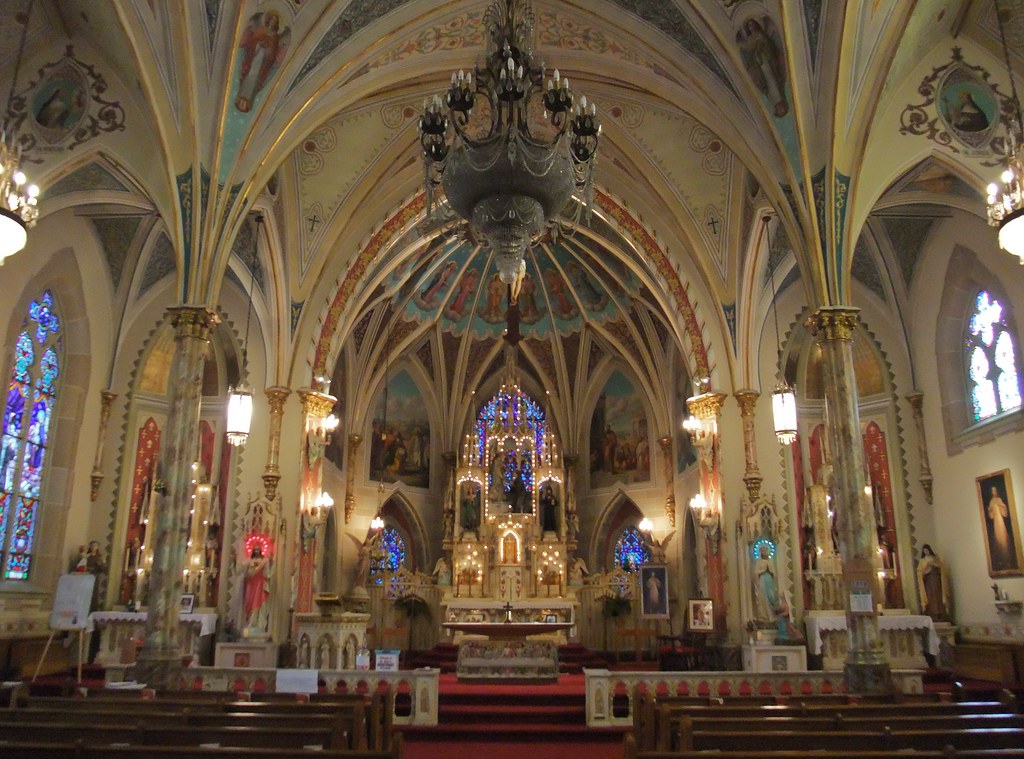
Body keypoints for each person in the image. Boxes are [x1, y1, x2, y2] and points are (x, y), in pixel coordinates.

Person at [986, 485, 1017, 571]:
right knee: (998, 539)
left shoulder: (999, 500)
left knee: (1004, 539)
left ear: (997, 491)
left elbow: (1004, 512)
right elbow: (991, 516)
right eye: (992, 491)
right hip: (996, 522)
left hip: (1000, 521)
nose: (994, 492)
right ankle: (1001, 559)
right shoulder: (991, 501)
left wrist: (1001, 506)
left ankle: (1007, 558)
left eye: (995, 491)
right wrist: (990, 510)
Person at [917, 544, 949, 620]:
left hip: (936, 580)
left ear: (929, 550)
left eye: (927, 550)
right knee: (930, 597)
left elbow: (942, 568)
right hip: (928, 582)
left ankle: (940, 614)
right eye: (924, 551)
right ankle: (932, 613)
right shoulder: (922, 561)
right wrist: (927, 567)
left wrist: (934, 565)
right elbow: (920, 573)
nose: (926, 552)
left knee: (938, 596)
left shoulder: (936, 559)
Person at [243, 545, 271, 631]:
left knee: (259, 603)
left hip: (260, 584)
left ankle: (259, 624)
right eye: (255, 549)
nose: (257, 551)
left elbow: (268, 573)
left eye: (258, 549)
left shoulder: (264, 561)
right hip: (251, 585)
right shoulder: (249, 560)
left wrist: (270, 564)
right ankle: (250, 622)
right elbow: (244, 570)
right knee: (250, 603)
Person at [752, 543, 780, 625]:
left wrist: (770, 571)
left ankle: (771, 617)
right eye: (764, 551)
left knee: (771, 597)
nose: (765, 553)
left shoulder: (770, 562)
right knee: (763, 598)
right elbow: (755, 573)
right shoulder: (759, 562)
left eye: (766, 551)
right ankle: (763, 617)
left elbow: (774, 573)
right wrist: (763, 571)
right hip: (762, 581)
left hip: (769, 582)